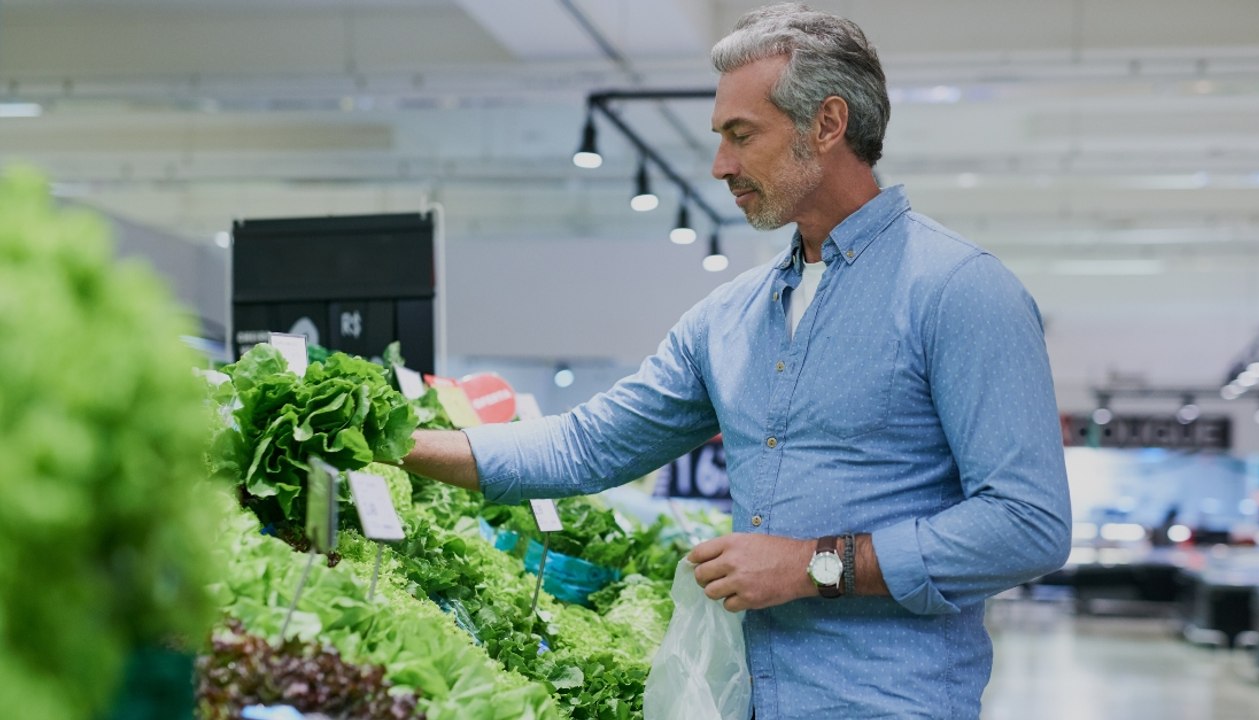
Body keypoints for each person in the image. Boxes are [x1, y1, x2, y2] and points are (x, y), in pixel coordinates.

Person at [401, 3, 1071, 717]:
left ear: (827, 123)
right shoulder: (729, 318)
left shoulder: (960, 292)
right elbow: (585, 446)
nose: (720, 165)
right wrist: (385, 443)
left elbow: (1027, 524)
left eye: (740, 135)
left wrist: (812, 565)